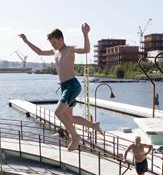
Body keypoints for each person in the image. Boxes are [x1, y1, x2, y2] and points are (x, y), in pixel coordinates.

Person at [18, 23, 103, 152]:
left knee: (58, 112)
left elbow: (86, 50)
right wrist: (26, 41)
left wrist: (85, 34)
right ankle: (93, 125)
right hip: (65, 87)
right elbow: (39, 51)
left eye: (54, 42)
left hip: (72, 85)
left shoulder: (69, 49)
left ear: (61, 39)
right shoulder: (55, 51)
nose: (52, 45)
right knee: (70, 118)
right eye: (51, 43)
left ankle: (75, 137)